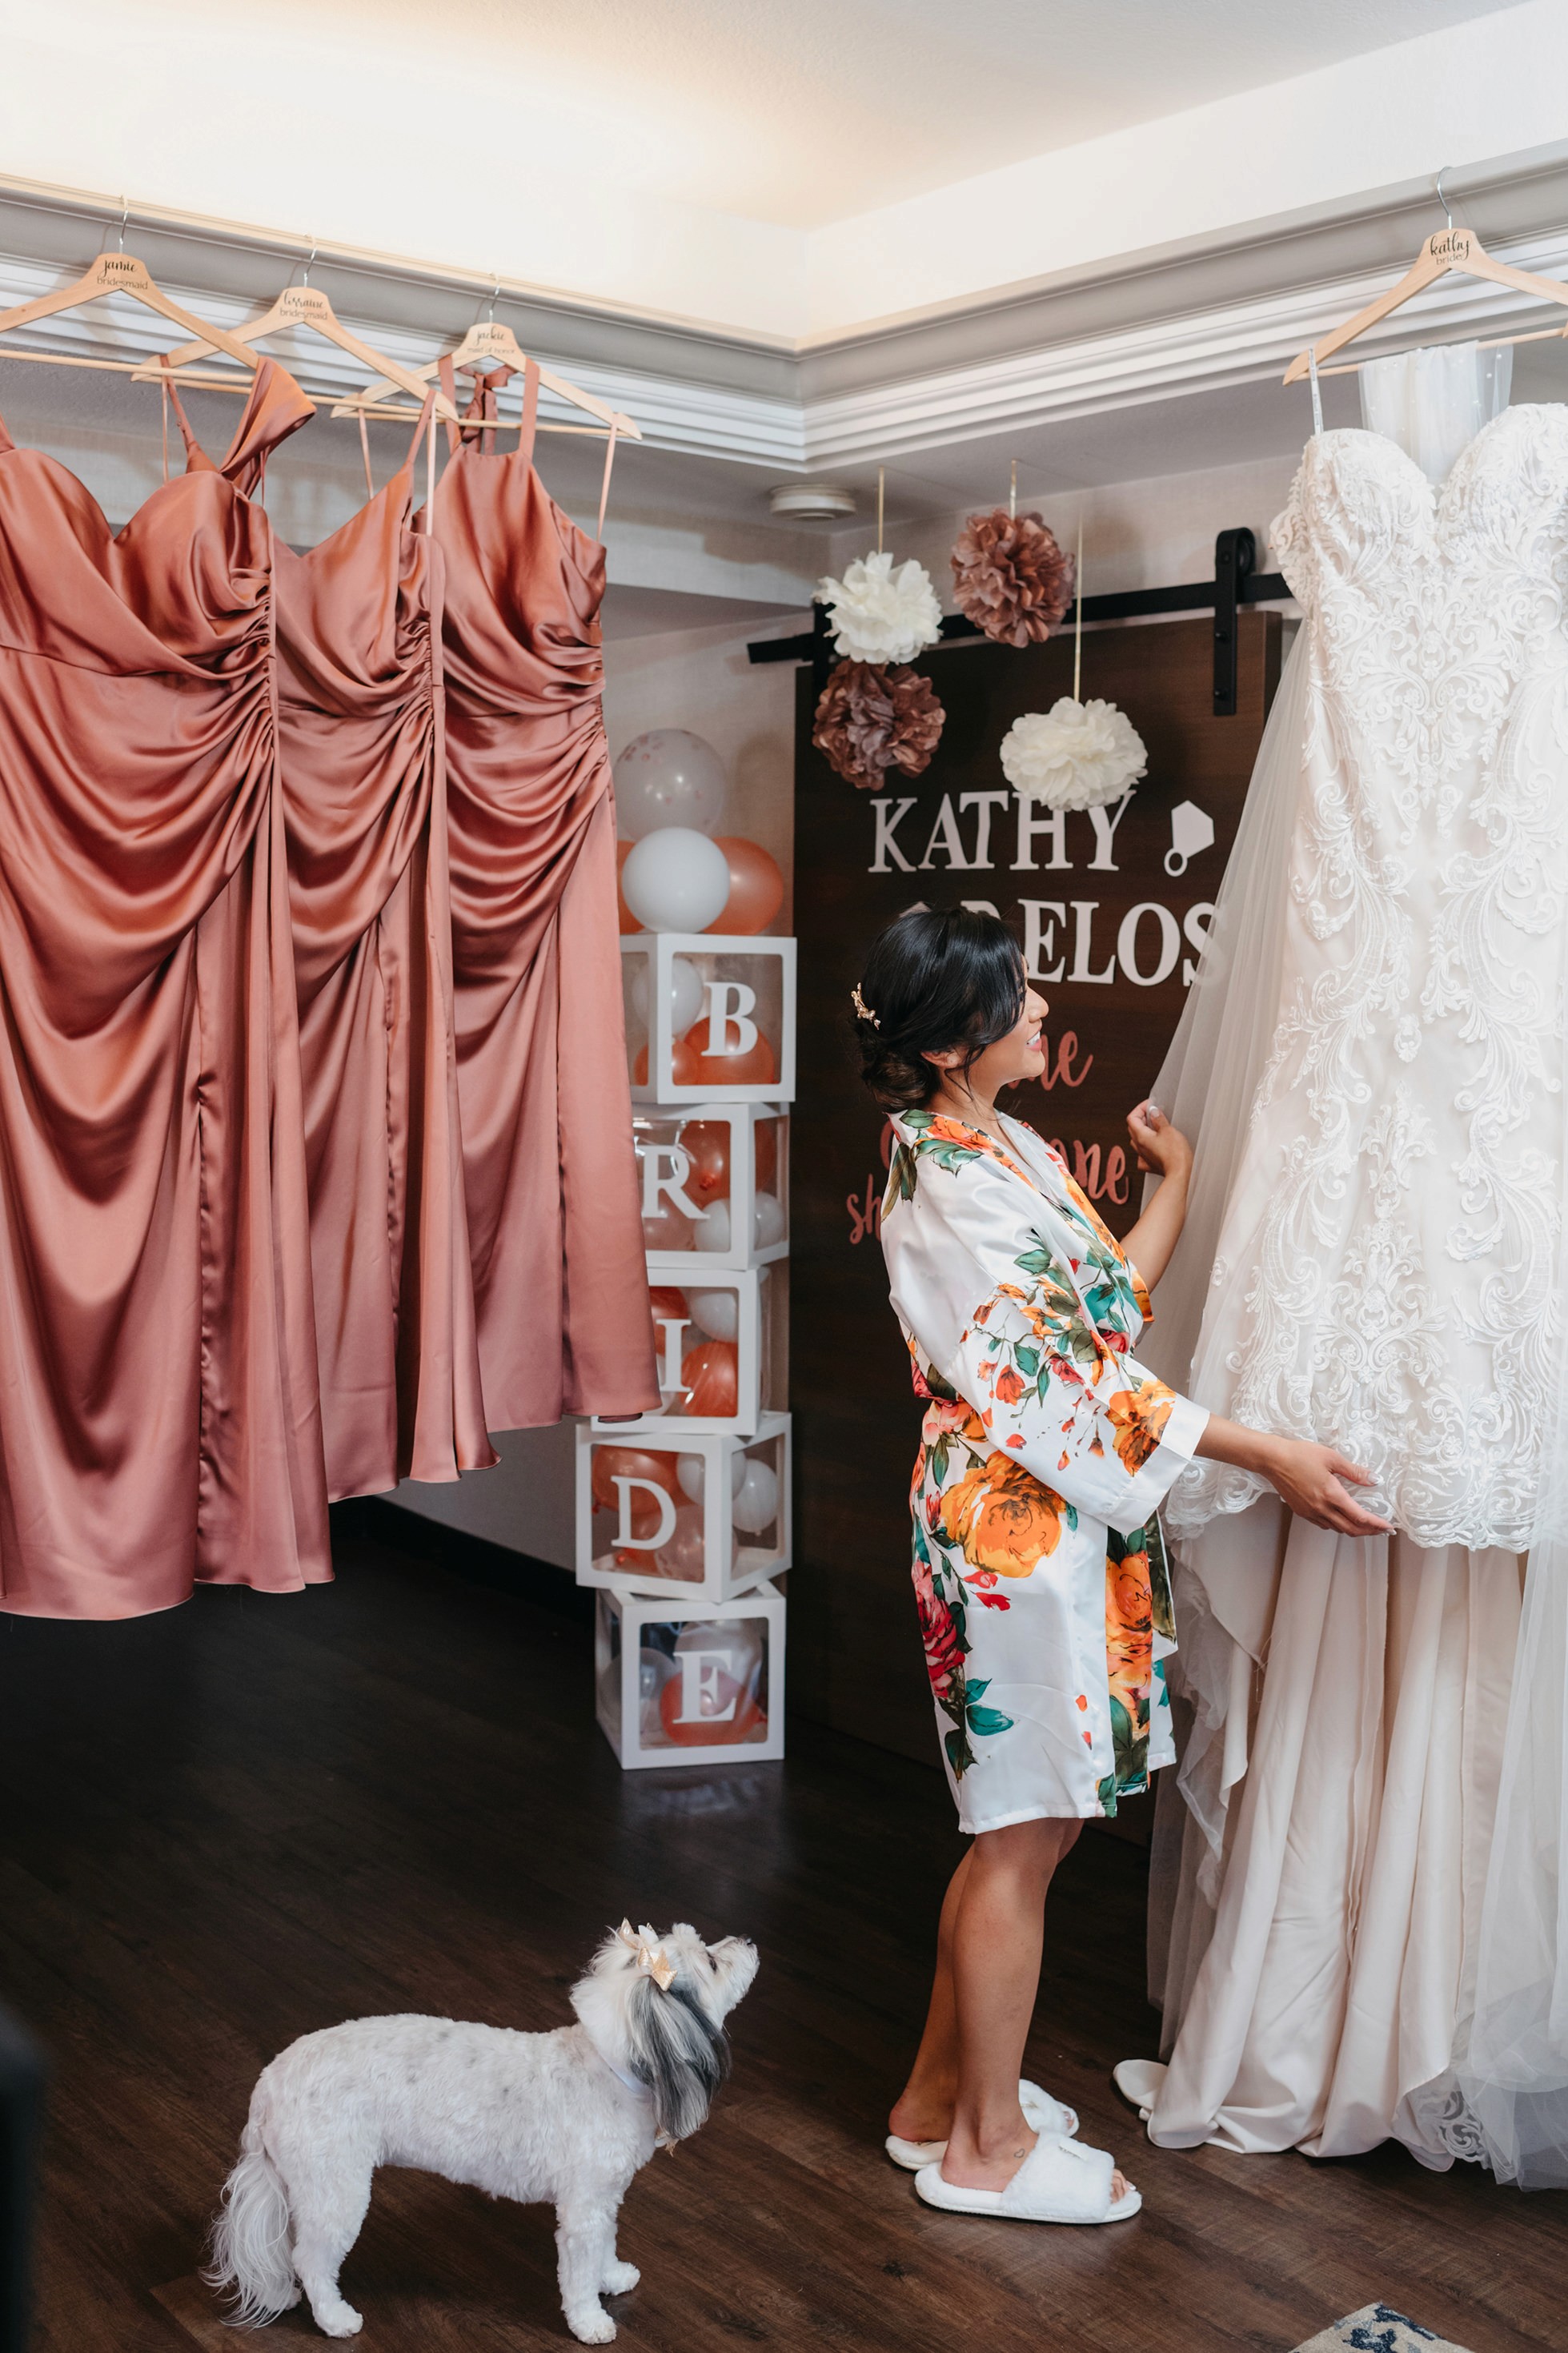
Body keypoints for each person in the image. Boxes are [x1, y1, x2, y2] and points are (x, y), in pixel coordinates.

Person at [855, 907, 1390, 2227]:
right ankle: (983, 2149)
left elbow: (1097, 1316)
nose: (1045, 1008)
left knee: (1027, 1830)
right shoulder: (950, 1176)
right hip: (1008, 1530)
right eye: (1023, 995)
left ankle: (935, 2105)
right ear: (961, 1039)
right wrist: (1269, 1455)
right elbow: (1056, 1383)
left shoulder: (998, 1141)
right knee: (1022, 1833)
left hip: (1051, 1516)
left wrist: (1176, 1193)